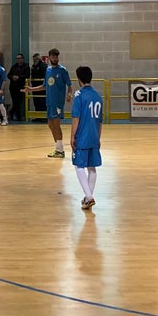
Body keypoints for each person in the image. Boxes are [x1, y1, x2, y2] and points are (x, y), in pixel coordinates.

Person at [23, 48, 74, 158]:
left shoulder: (62, 70)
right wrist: (31, 89)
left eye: (56, 57)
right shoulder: (48, 70)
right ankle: (58, 148)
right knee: (51, 125)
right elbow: (44, 86)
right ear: (49, 57)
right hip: (49, 102)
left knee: (56, 125)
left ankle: (60, 150)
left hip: (57, 103)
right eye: (53, 56)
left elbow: (69, 85)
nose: (55, 58)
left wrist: (69, 94)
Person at [71, 66, 103, 210]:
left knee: (79, 166)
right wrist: (98, 138)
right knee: (92, 167)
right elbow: (100, 121)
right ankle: (87, 198)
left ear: (79, 79)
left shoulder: (79, 95)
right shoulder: (98, 96)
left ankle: (89, 196)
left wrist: (72, 136)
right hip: (94, 136)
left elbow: (76, 118)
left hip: (83, 136)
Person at [8, 53, 30, 121]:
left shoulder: (26, 66)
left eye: (19, 58)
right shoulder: (14, 66)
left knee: (18, 102)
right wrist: (12, 77)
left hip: (21, 87)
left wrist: (18, 77)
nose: (18, 60)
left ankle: (12, 113)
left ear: (22, 59)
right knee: (15, 102)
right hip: (13, 87)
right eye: (17, 58)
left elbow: (27, 75)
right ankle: (18, 116)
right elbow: (8, 75)